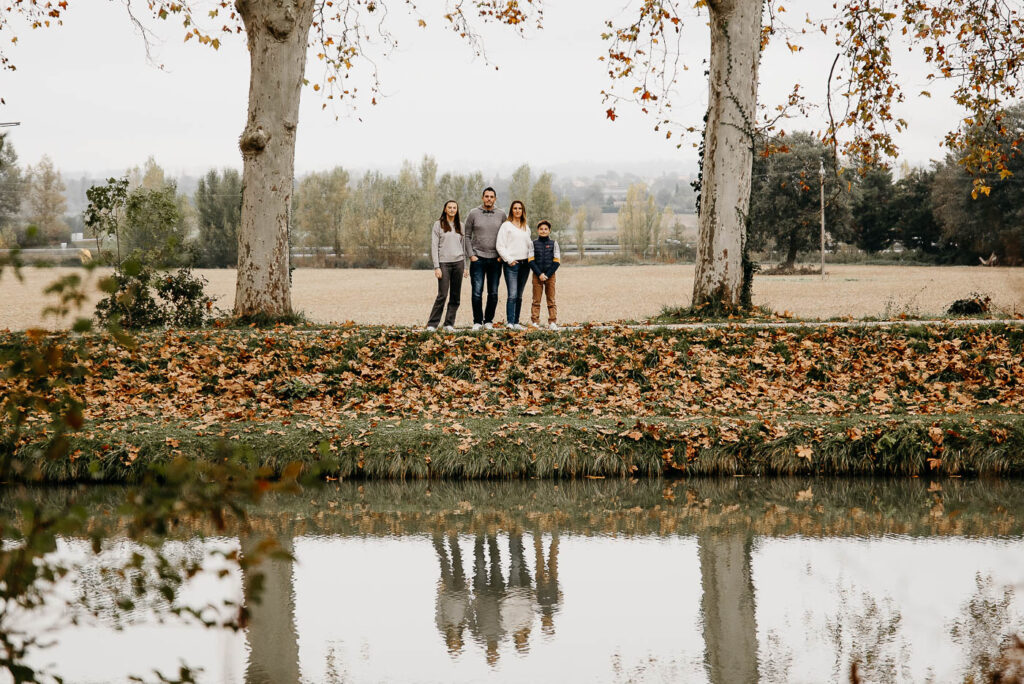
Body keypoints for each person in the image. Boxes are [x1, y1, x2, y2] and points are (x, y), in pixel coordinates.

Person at [463, 187, 507, 331]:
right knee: (477, 291)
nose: (489, 199)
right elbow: (467, 236)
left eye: (491, 196)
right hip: (478, 259)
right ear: (482, 198)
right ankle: (477, 321)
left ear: (495, 199)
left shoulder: (501, 214)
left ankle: (488, 320)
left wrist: (502, 256)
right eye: (486, 196)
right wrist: (471, 255)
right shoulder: (473, 213)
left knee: (493, 292)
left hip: (495, 260)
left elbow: (507, 235)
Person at [426, 200, 468, 331]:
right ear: (445, 209)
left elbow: (464, 247)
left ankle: (449, 324)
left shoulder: (461, 226)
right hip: (444, 264)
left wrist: (466, 267)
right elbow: (434, 246)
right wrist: (436, 266)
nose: (452, 210)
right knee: (442, 295)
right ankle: (432, 324)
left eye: (454, 208)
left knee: (455, 296)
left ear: (457, 210)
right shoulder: (438, 225)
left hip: (458, 263)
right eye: (449, 207)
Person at [495, 200, 533, 330]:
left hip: (525, 264)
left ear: (523, 211)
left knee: (519, 295)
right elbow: (500, 245)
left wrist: (531, 260)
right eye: (515, 208)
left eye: (520, 208)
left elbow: (529, 247)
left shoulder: (526, 227)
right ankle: (510, 322)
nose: (517, 210)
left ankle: (516, 322)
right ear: (511, 210)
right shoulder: (506, 226)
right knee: (512, 294)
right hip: (512, 264)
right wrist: (509, 259)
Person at [528, 219, 560, 330]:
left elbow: (557, 261)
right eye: (541, 229)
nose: (543, 231)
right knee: (536, 300)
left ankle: (552, 322)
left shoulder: (554, 243)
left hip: (550, 276)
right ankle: (535, 322)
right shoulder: (533, 244)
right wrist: (539, 274)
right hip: (537, 276)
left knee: (551, 299)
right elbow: (531, 260)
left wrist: (547, 275)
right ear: (537, 231)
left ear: (549, 231)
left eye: (545, 229)